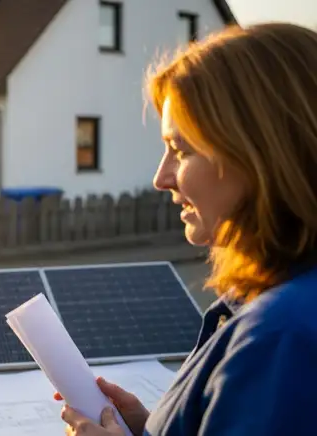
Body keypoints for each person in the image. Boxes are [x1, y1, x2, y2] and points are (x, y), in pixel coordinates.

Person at [58, 22, 317, 435]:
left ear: (262, 154)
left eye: (180, 149)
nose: (162, 178)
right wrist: (156, 426)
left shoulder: (281, 340)